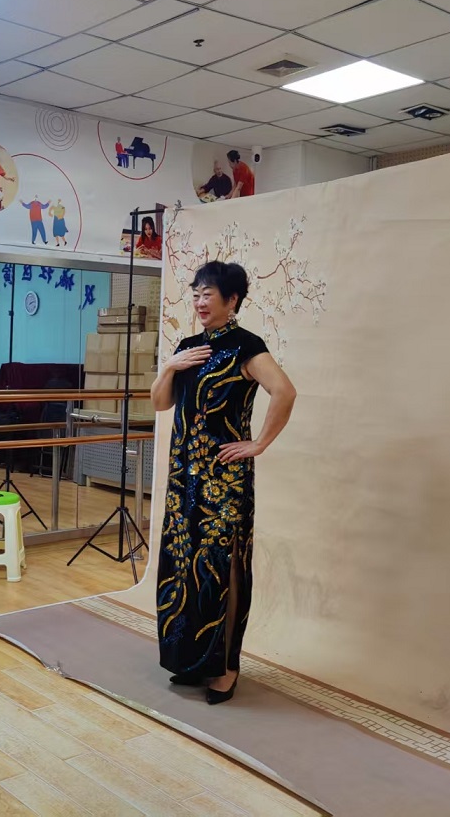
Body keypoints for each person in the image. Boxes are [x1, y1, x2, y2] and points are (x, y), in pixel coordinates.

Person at [149, 261, 296, 704]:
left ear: (231, 300)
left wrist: (259, 444)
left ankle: (226, 668)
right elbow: (160, 404)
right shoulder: (188, 347)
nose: (199, 302)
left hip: (223, 482)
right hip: (183, 478)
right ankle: (192, 662)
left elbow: (285, 391)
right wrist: (169, 367)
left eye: (207, 294)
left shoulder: (246, 346)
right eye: (195, 294)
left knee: (221, 568)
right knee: (183, 564)